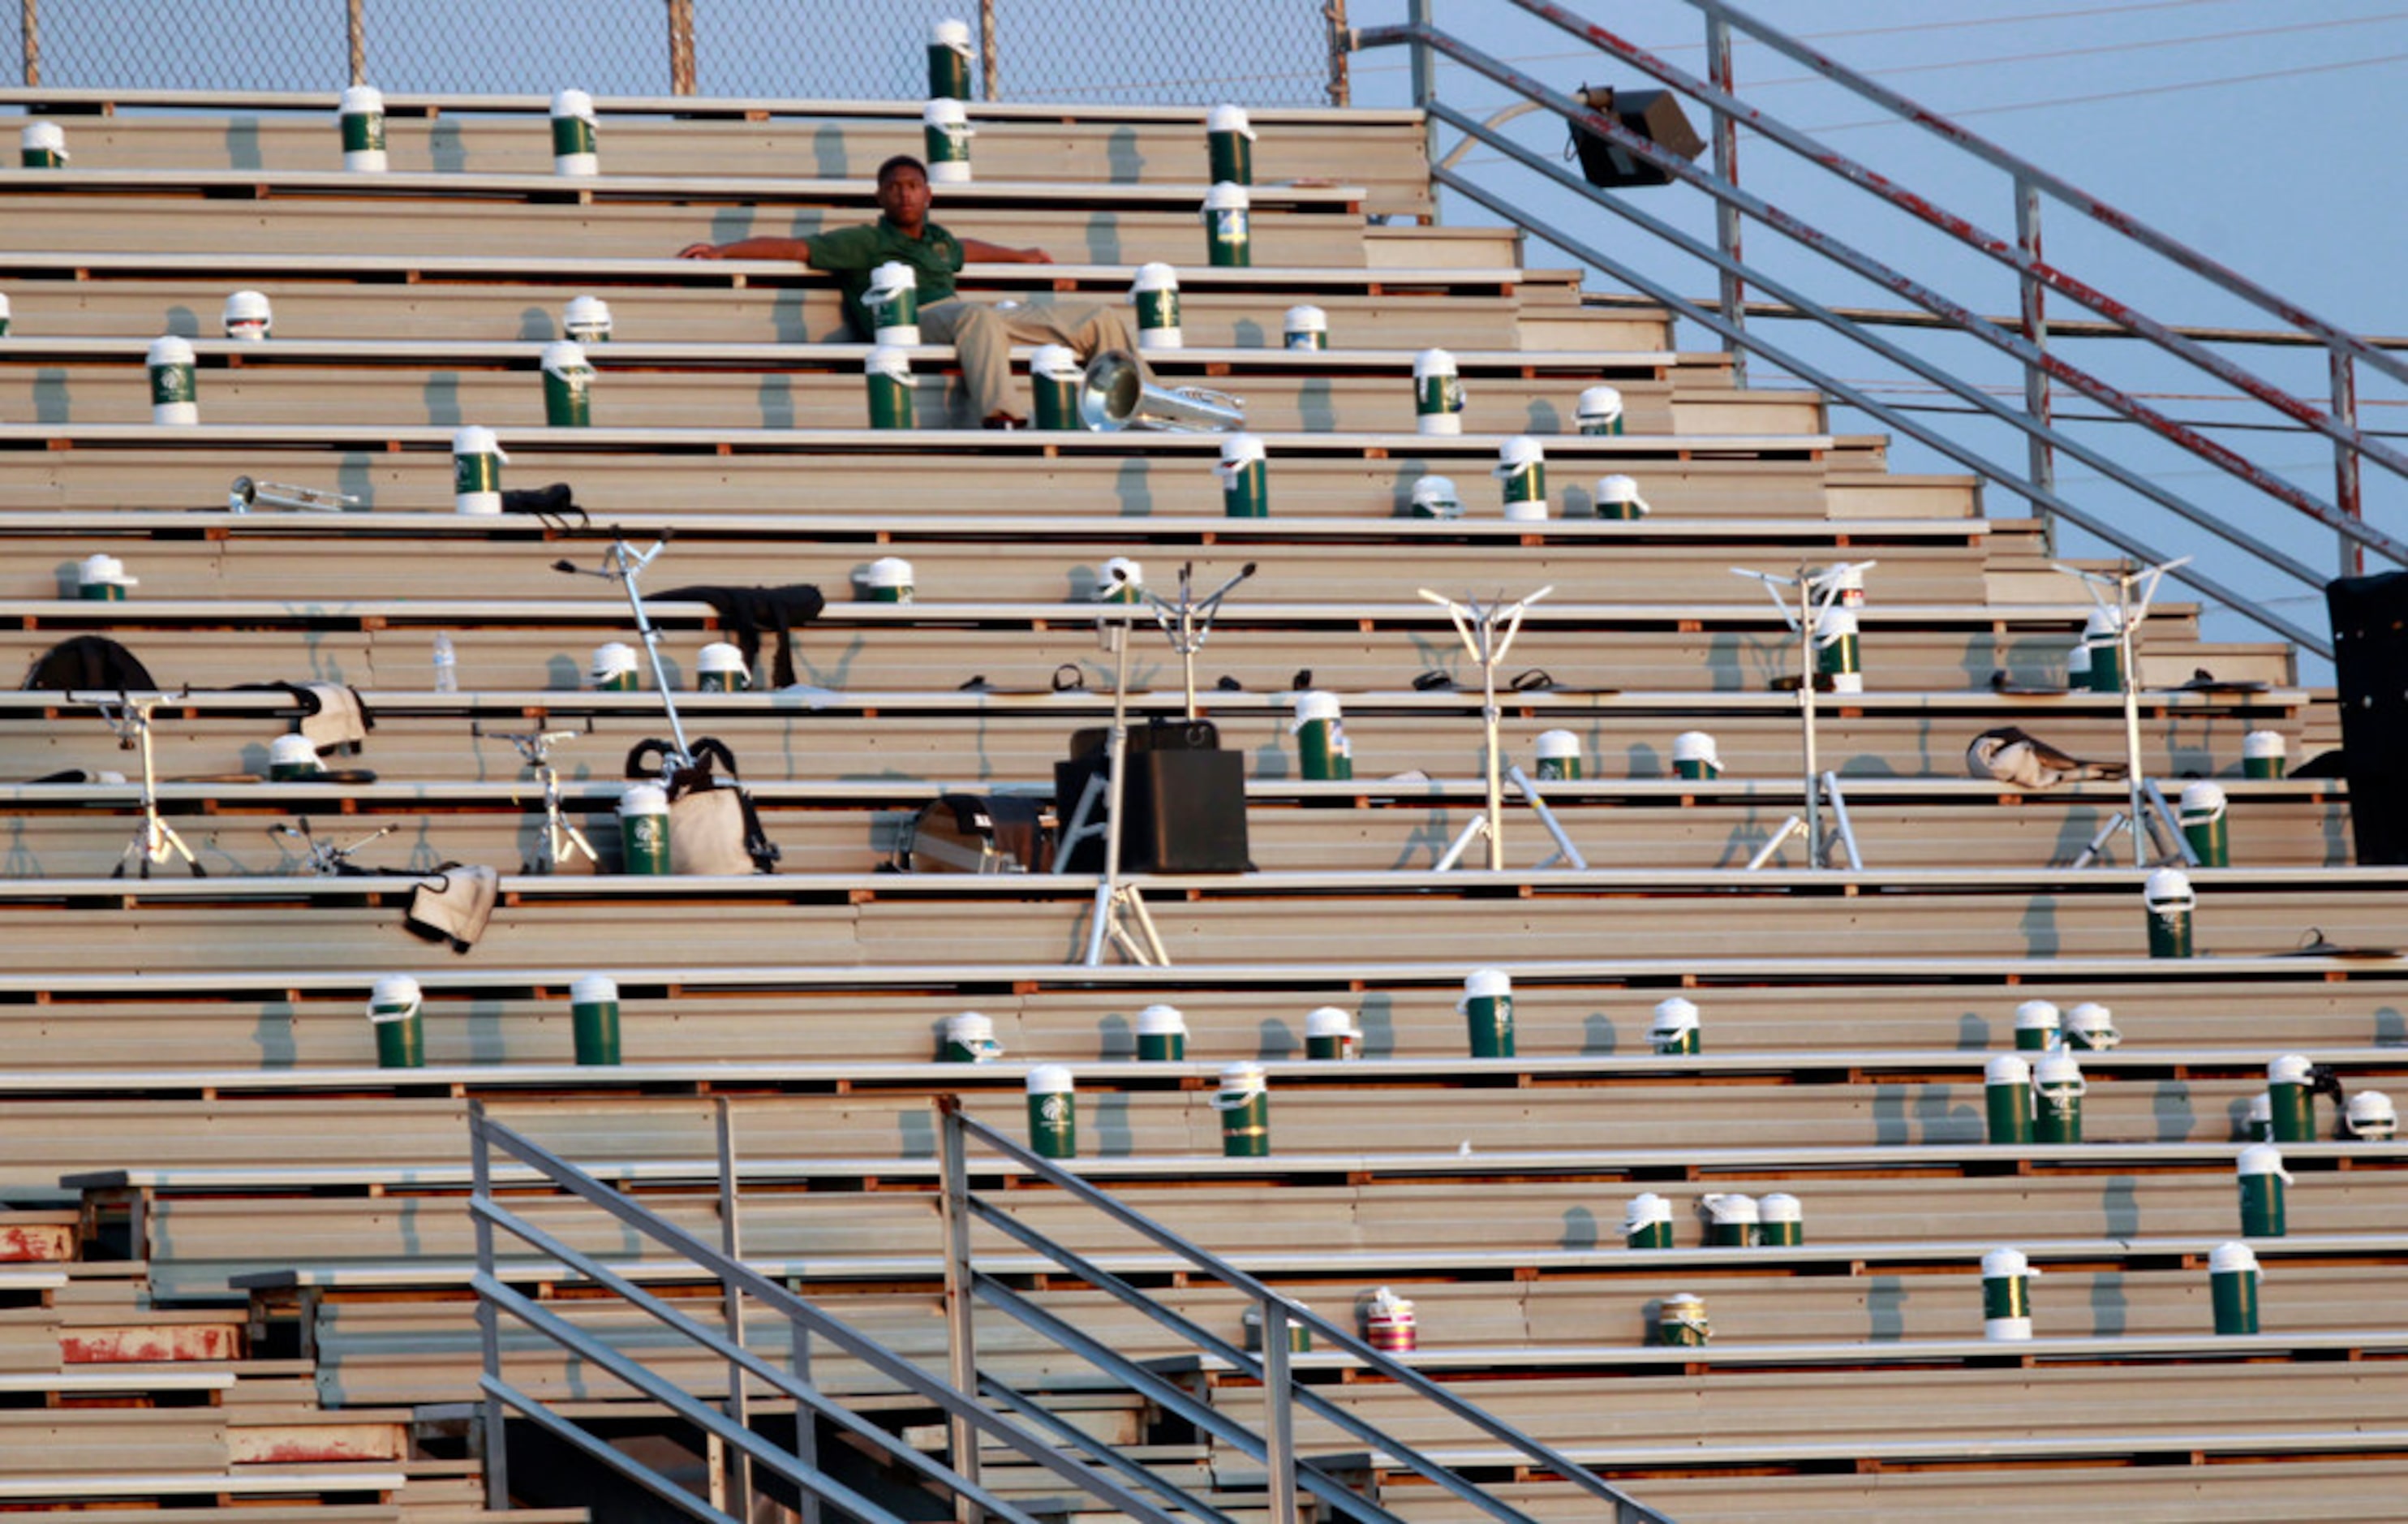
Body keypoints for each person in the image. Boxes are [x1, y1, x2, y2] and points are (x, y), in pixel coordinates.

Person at [678, 153, 1142, 428]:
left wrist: (1021, 257)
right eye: (894, 187)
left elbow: (967, 250)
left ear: (928, 195)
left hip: (962, 318)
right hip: (911, 324)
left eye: (913, 186)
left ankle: (1145, 407)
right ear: (880, 197)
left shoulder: (938, 238)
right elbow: (794, 246)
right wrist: (723, 251)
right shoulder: (864, 240)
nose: (904, 194)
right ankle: (1004, 421)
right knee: (977, 316)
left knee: (1097, 317)